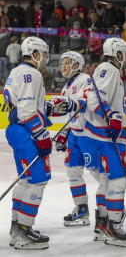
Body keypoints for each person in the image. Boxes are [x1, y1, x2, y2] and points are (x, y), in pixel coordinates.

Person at [82, 38, 126, 247]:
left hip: (102, 135)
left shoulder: (108, 71)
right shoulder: (109, 69)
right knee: (118, 180)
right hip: (108, 137)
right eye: (125, 54)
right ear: (117, 54)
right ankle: (113, 225)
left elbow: (110, 102)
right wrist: (111, 115)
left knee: (105, 180)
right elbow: (94, 100)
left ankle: (102, 222)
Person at [3, 36, 61, 249]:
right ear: (34, 53)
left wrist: (48, 109)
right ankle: (24, 231)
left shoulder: (17, 71)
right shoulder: (31, 73)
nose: (45, 58)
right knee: (37, 179)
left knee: (26, 180)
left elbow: (26, 104)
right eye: (43, 54)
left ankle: (17, 228)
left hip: (17, 131)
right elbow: (26, 110)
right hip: (27, 132)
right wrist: (42, 135)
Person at [52, 51, 101, 227]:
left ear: (76, 64)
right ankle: (81, 209)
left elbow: (84, 102)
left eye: (66, 62)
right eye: (62, 63)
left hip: (89, 133)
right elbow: (70, 112)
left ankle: (112, 203)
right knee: (72, 171)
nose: (62, 66)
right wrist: (64, 134)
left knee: (97, 172)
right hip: (74, 134)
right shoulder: (66, 87)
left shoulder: (85, 80)